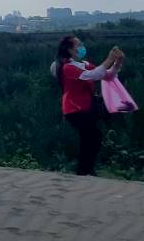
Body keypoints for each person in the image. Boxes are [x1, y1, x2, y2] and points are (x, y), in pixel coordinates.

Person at [51, 35, 124, 176]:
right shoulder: (67, 68)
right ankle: (84, 171)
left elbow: (106, 75)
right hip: (75, 109)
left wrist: (116, 64)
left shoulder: (82, 65)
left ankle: (85, 171)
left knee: (92, 137)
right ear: (70, 50)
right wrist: (109, 59)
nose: (82, 47)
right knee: (91, 137)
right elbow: (93, 75)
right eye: (78, 45)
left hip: (86, 108)